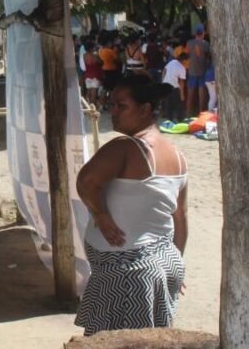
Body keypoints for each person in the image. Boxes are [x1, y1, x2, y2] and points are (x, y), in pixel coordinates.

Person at [75, 75, 188, 334]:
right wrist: (176, 263)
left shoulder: (126, 147)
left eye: (121, 106)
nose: (112, 112)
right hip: (163, 263)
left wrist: (100, 215)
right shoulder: (177, 155)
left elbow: (85, 181)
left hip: (128, 273)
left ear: (145, 109)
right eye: (112, 104)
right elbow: (180, 216)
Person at [185, 25, 210, 117]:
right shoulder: (206, 44)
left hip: (192, 71)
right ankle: (200, 113)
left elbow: (186, 54)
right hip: (202, 71)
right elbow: (208, 56)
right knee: (201, 93)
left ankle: (188, 113)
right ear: (203, 33)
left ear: (195, 33)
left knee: (190, 93)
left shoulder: (189, 43)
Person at [161, 53, 187, 122]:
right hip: (174, 88)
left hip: (166, 85)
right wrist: (182, 94)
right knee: (178, 105)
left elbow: (164, 70)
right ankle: (180, 120)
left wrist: (163, 81)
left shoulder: (172, 62)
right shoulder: (182, 68)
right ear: (184, 60)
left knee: (168, 104)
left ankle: (169, 120)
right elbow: (181, 82)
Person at [97, 37, 121, 110]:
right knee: (112, 89)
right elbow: (117, 60)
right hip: (112, 70)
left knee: (104, 88)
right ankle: (111, 104)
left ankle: (101, 104)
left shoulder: (100, 51)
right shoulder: (111, 51)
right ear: (107, 43)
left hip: (104, 69)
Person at [82, 43, 103, 108]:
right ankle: (92, 107)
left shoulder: (84, 55)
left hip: (87, 75)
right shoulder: (95, 56)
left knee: (88, 91)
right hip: (95, 75)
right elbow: (101, 62)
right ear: (91, 48)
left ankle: (86, 106)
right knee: (94, 92)